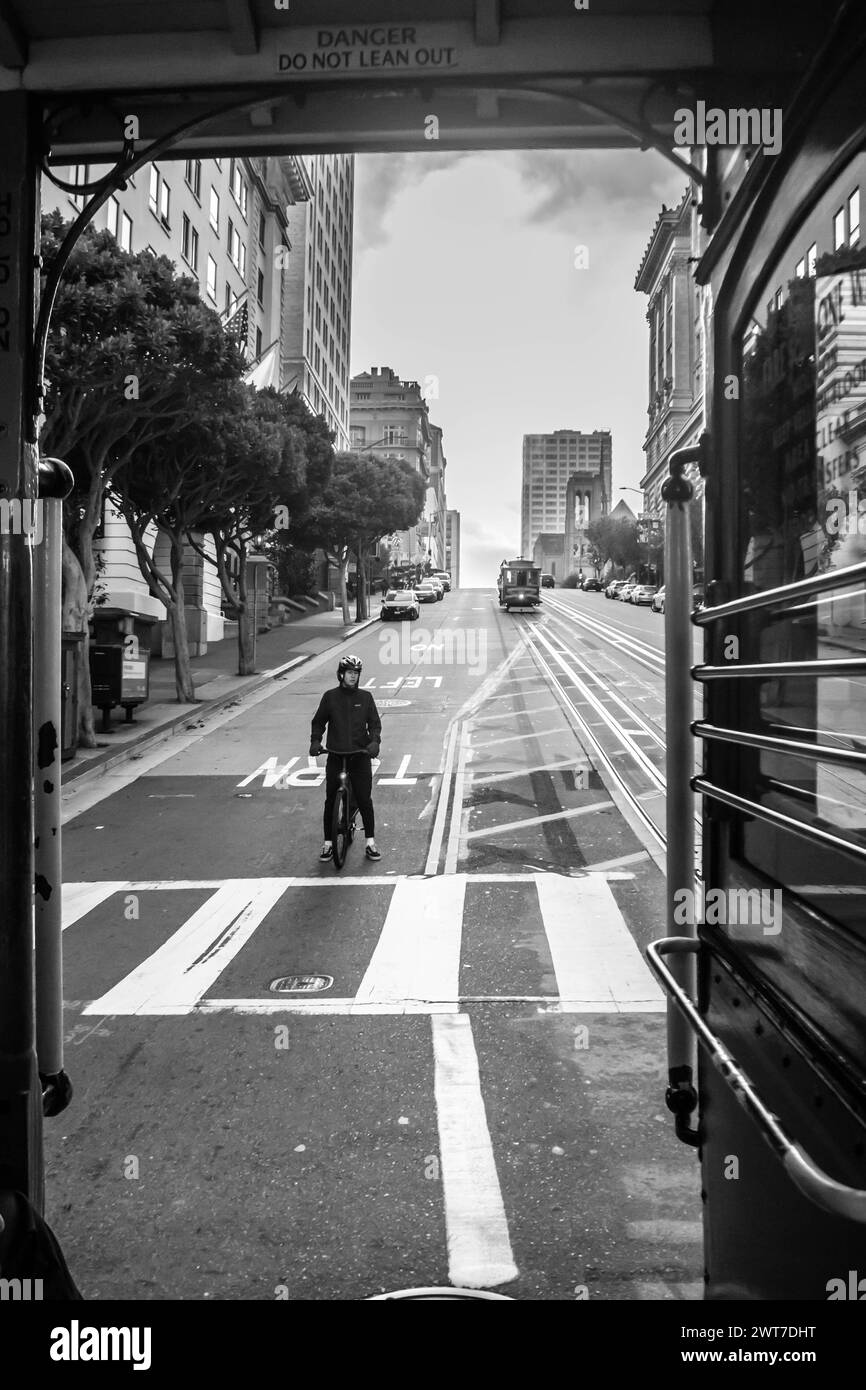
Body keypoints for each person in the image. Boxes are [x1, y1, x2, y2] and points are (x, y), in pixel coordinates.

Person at [309, 654, 382, 862]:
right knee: (331, 800)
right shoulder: (330, 697)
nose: (353, 676)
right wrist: (315, 741)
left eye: (356, 673)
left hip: (360, 756)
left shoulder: (365, 698)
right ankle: (328, 844)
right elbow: (318, 722)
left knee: (365, 800)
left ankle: (370, 842)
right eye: (350, 672)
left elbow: (375, 724)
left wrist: (374, 742)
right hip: (336, 755)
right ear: (341, 674)